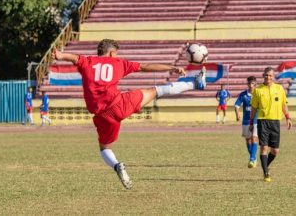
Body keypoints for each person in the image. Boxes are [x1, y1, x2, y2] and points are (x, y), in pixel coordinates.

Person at [51, 39, 207, 189]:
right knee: (155, 91)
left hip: (102, 116)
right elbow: (145, 66)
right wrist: (171, 68)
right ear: (112, 53)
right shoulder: (118, 63)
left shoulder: (87, 61)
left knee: (104, 148)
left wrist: (60, 56)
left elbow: (74, 58)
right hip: (119, 105)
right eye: (116, 53)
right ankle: (194, 83)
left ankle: (117, 165)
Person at [249, 67, 293, 182]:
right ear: (263, 75)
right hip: (262, 121)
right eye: (266, 75)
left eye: (270, 75)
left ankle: (265, 165)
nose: (268, 77)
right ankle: (266, 173)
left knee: (275, 151)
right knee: (264, 147)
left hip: (275, 122)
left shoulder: (279, 89)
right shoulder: (258, 90)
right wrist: (251, 121)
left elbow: (284, 104)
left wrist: (288, 117)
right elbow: (254, 107)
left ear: (273, 76)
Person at [234, 76, 258, 168]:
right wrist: (237, 114)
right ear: (247, 84)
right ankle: (253, 157)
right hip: (246, 121)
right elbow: (236, 105)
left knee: (254, 138)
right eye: (249, 83)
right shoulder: (243, 94)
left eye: (252, 83)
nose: (251, 85)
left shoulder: (258, 93)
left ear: (255, 83)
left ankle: (252, 159)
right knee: (248, 140)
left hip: (256, 120)